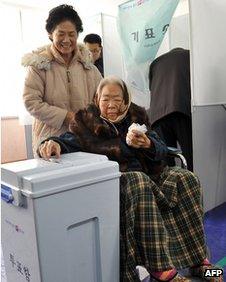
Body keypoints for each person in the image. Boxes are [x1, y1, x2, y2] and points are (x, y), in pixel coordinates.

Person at [38, 76, 222, 282]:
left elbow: (161, 148)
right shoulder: (85, 123)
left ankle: (199, 262)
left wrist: (148, 144)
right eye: (106, 98)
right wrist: (52, 143)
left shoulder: (137, 117)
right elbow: (66, 141)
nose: (111, 104)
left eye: (117, 99)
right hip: (118, 185)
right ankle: (160, 268)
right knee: (138, 181)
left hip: (151, 177)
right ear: (97, 99)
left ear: (125, 101)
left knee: (186, 178)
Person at [22, 4, 102, 155]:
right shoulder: (38, 65)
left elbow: (101, 100)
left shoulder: (89, 67)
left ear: (77, 35)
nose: (66, 40)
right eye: (61, 34)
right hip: (49, 141)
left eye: (72, 34)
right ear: (51, 33)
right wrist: (66, 117)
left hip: (84, 140)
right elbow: (31, 102)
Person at [148, 48, 193, 171]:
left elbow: (151, 88)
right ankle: (192, 187)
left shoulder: (156, 62)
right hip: (181, 110)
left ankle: (169, 189)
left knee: (165, 160)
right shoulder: (192, 56)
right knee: (191, 157)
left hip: (157, 115)